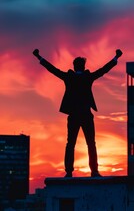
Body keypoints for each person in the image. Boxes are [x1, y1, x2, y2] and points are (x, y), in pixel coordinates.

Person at [33, 48, 123, 177]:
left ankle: (69, 172)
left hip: (74, 115)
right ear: (83, 66)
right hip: (86, 114)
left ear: (74, 67)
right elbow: (103, 70)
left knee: (71, 143)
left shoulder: (69, 77)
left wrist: (39, 57)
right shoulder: (88, 77)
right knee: (90, 143)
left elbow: (52, 69)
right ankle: (94, 171)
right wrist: (116, 58)